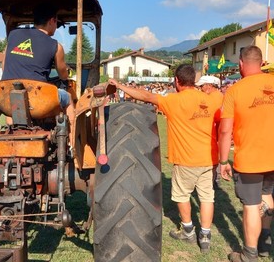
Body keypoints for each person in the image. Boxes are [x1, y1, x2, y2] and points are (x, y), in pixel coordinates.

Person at [109, 64, 221, 253]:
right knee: (207, 197)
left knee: (182, 195)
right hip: (209, 158)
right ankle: (206, 235)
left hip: (186, 159)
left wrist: (120, 86)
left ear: (177, 81)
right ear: (194, 80)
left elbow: (145, 96)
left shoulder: (173, 101)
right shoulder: (210, 100)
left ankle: (188, 231)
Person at [219, 45, 274, 261]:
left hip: (251, 159)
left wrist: (223, 160)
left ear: (241, 64)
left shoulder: (235, 90)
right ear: (261, 62)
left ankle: (249, 254)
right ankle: (265, 242)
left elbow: (225, 130)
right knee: (267, 195)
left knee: (251, 205)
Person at [2, 2, 75, 143]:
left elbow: (4, 63)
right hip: (37, 98)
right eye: (56, 22)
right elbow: (63, 75)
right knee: (68, 98)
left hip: (5, 95)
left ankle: (14, 131)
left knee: (13, 97)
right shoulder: (55, 46)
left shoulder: (13, 35)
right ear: (52, 21)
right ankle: (71, 141)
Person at [196, 75, 223, 189]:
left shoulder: (213, 98)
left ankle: (211, 182)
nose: (200, 89)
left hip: (214, 134)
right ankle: (214, 180)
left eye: (201, 86)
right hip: (217, 135)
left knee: (212, 159)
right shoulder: (219, 96)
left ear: (209, 86)